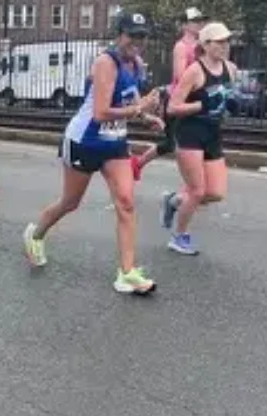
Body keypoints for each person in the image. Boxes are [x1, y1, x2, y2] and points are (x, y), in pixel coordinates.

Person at [22, 12, 163, 294]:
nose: (137, 42)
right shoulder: (105, 63)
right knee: (70, 203)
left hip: (114, 144)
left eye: (142, 36)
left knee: (126, 202)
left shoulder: (135, 65)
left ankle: (127, 273)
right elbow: (100, 113)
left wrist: (148, 118)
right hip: (84, 141)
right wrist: (140, 109)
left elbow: (131, 101)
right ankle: (35, 235)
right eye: (132, 35)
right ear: (119, 35)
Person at [162, 22, 235, 255]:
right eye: (219, 42)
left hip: (212, 133)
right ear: (205, 45)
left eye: (227, 41)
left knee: (215, 193)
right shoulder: (194, 71)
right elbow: (172, 107)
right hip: (190, 132)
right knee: (197, 191)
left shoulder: (230, 68)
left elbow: (227, 98)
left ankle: (174, 201)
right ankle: (179, 236)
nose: (225, 46)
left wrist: (232, 103)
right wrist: (201, 104)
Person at [130, 7, 207, 180]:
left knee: (186, 143)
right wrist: (200, 80)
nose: (200, 24)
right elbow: (179, 75)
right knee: (175, 144)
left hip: (194, 100)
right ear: (185, 25)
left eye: (201, 21)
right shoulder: (181, 47)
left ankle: (138, 163)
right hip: (178, 100)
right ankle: (192, 186)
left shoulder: (202, 46)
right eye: (195, 21)